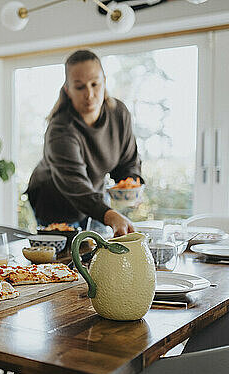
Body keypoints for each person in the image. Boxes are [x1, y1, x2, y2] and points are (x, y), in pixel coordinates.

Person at [27, 49, 143, 237]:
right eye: (80, 87)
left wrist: (133, 184)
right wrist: (110, 215)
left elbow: (128, 161)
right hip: (56, 203)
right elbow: (75, 184)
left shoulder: (119, 113)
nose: (89, 94)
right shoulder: (60, 129)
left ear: (104, 80)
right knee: (62, 263)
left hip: (95, 199)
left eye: (95, 84)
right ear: (68, 89)